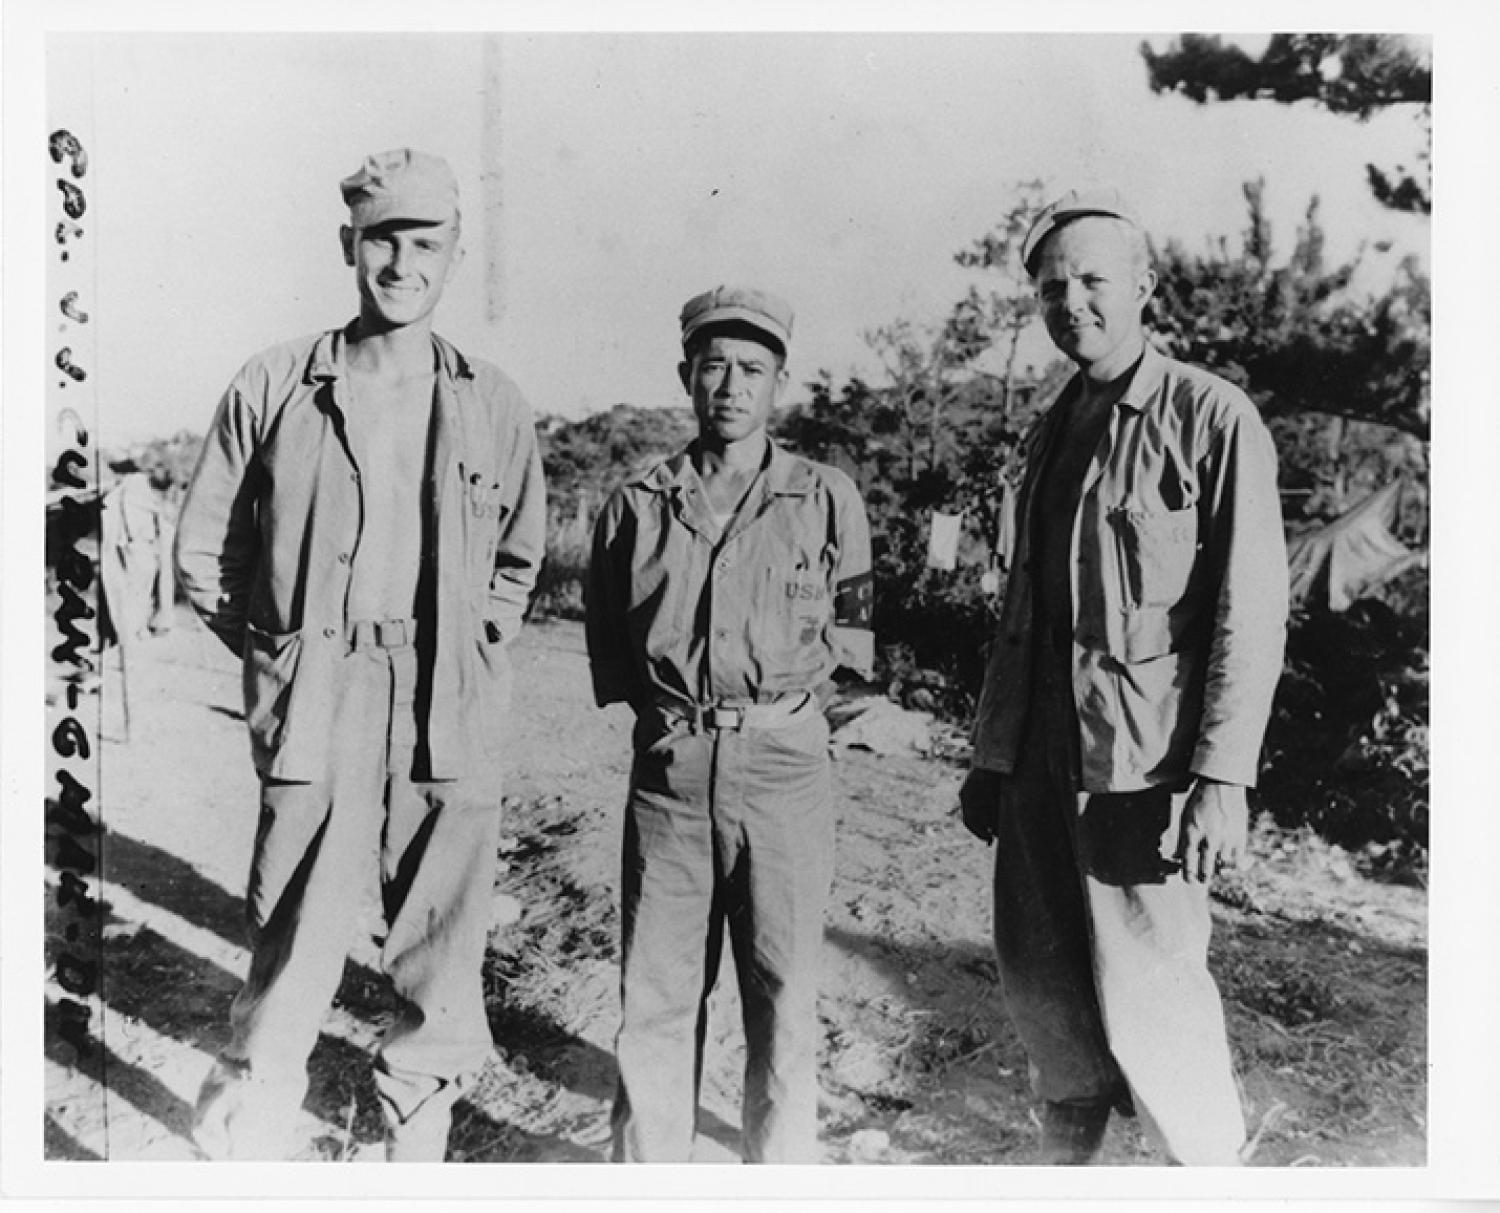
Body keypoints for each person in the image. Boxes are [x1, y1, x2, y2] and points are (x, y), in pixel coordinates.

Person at [174, 148, 546, 1161]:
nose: (403, 261)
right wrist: (282, 658)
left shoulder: (493, 401)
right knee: (295, 925)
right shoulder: (278, 382)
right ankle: (244, 1128)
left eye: (426, 242)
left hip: (442, 695)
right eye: (383, 238)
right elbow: (203, 555)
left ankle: (413, 1141)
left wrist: (465, 653)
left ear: (455, 254)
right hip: (320, 688)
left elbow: (519, 560)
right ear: (350, 245)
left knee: (440, 936)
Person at [958, 188, 1288, 1166]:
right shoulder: (1050, 429)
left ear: (1146, 286)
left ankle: (1204, 1168)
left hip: (1142, 766)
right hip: (1037, 762)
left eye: (1094, 280)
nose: (1073, 304)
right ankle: (1071, 1150)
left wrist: (1223, 776)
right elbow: (1023, 613)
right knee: (1041, 979)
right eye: (1053, 288)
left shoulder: (1210, 418)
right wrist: (991, 756)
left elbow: (1250, 608)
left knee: (1156, 992)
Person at [585, 285, 873, 1163]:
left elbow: (854, 650)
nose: (732, 385)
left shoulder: (825, 498)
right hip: (671, 773)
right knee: (657, 996)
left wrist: (781, 725)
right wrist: (682, 721)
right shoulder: (636, 504)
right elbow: (614, 651)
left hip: (785, 768)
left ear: (778, 382)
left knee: (783, 993)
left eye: (753, 368)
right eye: (714, 365)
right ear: (687, 376)